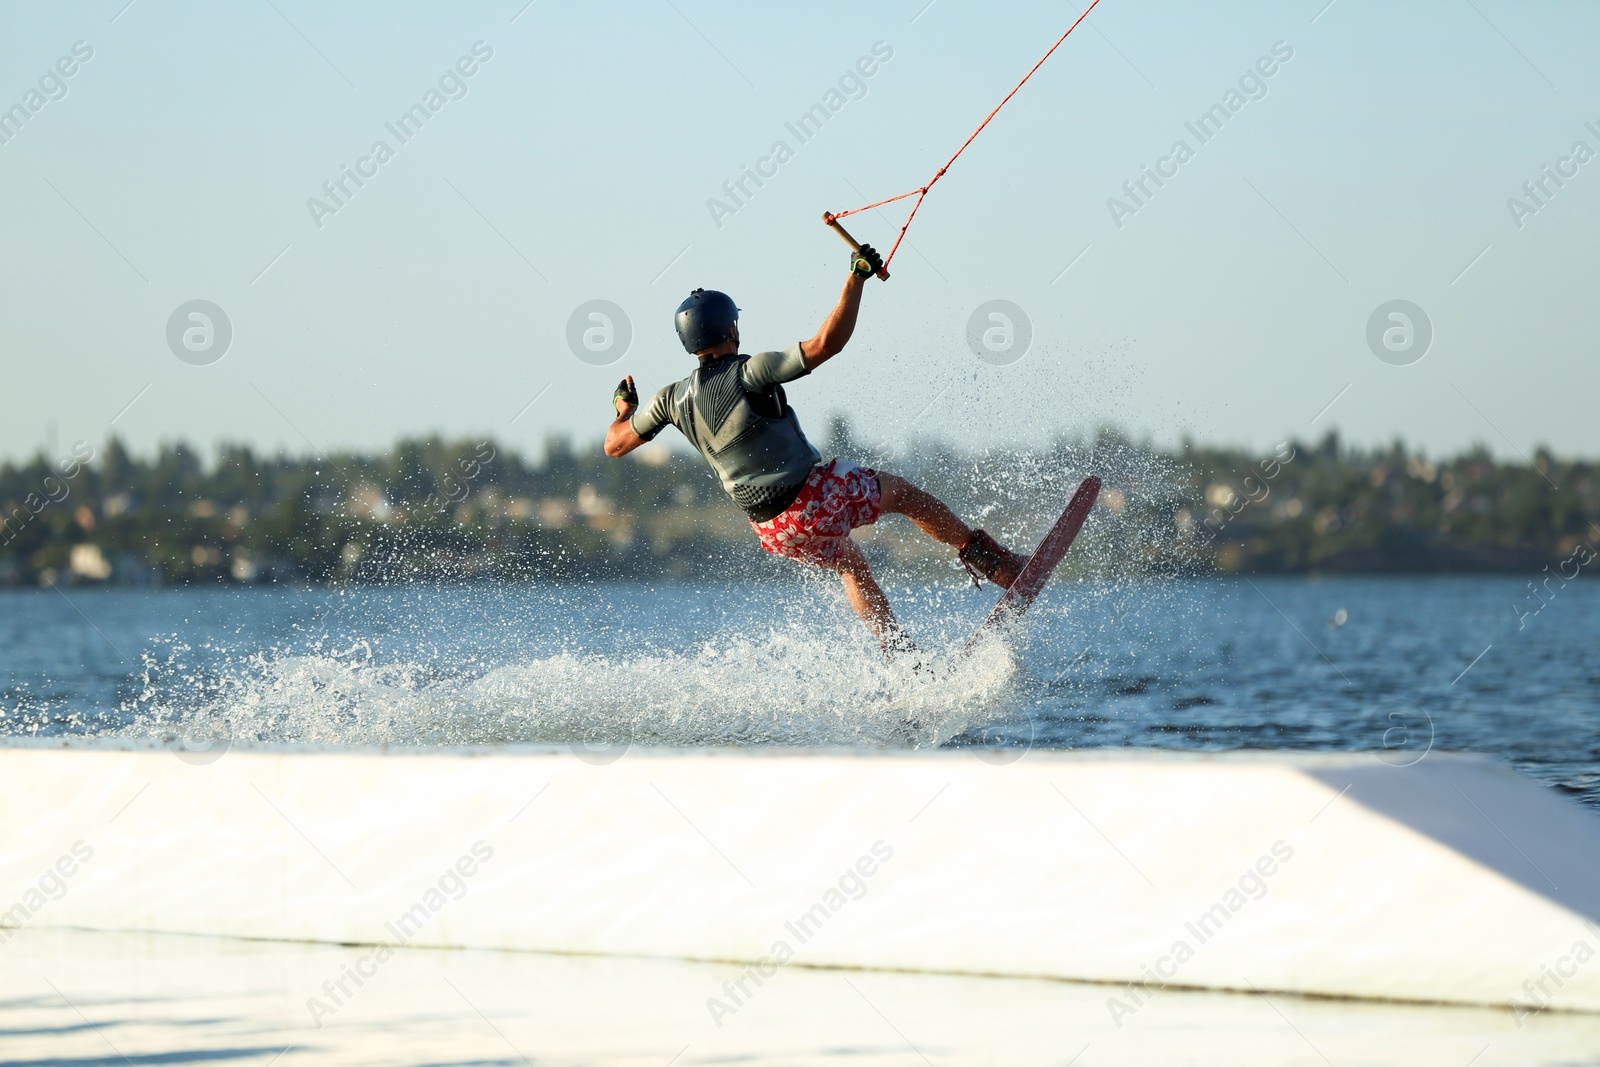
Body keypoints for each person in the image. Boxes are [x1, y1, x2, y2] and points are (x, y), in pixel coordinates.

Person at [603, 243, 1027, 653]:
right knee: (903, 495)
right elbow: (827, 344)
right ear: (732, 329)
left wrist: (624, 410)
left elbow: (615, 445)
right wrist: (855, 278)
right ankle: (1000, 566)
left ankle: (903, 659)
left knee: (851, 564)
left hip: (773, 531)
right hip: (814, 499)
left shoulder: (669, 399)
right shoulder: (751, 371)